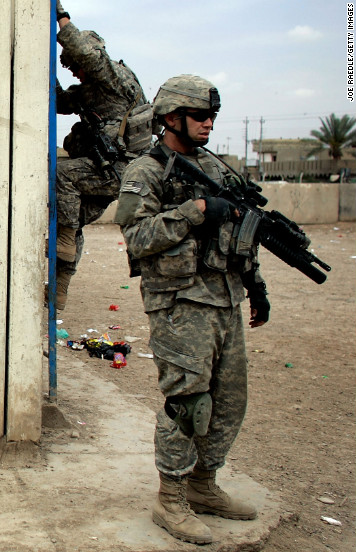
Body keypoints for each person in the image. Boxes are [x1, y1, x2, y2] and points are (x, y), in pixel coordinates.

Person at [113, 75, 270, 545]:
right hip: (179, 304)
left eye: (212, 117)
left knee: (228, 401)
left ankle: (204, 484)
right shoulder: (146, 171)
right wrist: (195, 210)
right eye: (200, 116)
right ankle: (172, 498)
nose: (208, 124)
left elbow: (241, 235)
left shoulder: (217, 169)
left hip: (224, 300)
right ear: (171, 119)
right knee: (187, 403)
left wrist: (256, 286)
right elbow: (137, 238)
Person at [53, 1, 150, 310]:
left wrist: (61, 17)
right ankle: (59, 290)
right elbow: (59, 101)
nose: (76, 73)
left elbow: (85, 54)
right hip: (108, 170)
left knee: (61, 174)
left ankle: (65, 244)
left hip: (123, 170)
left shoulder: (115, 79)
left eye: (76, 67)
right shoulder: (91, 90)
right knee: (72, 217)